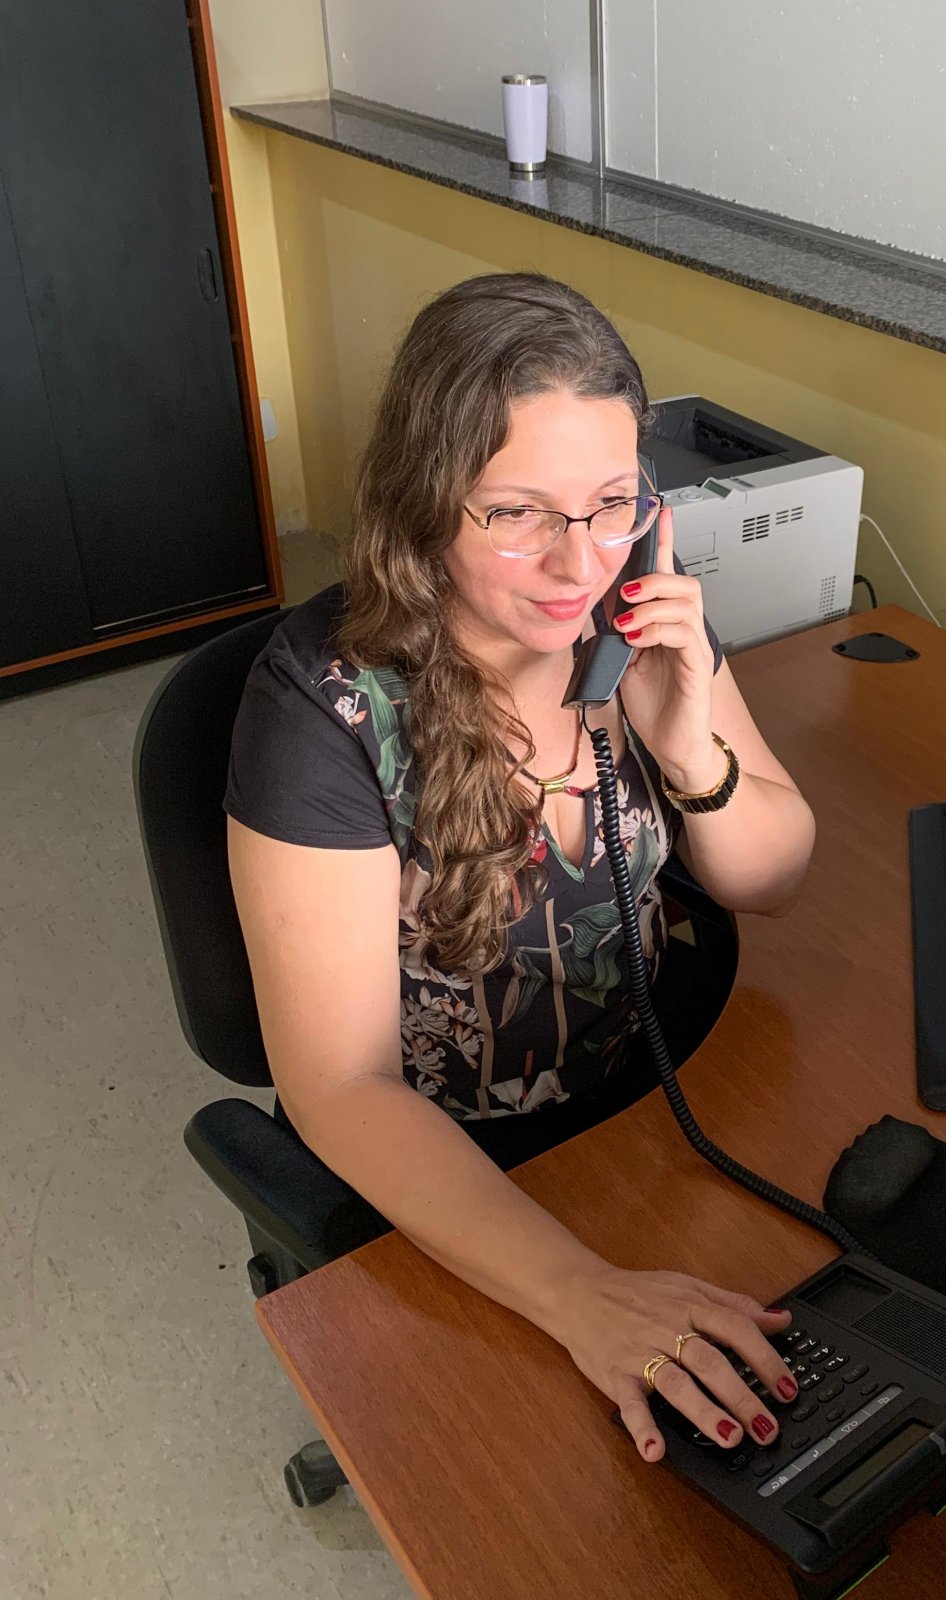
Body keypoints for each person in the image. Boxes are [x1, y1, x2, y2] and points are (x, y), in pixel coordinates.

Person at [224, 272, 817, 1466]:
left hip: (648, 1099)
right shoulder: (323, 708)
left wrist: (690, 748)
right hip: (458, 1156)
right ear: (424, 501)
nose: (576, 563)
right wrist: (579, 1291)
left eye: (612, 504)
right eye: (518, 513)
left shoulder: (635, 617)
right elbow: (340, 1085)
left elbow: (774, 875)